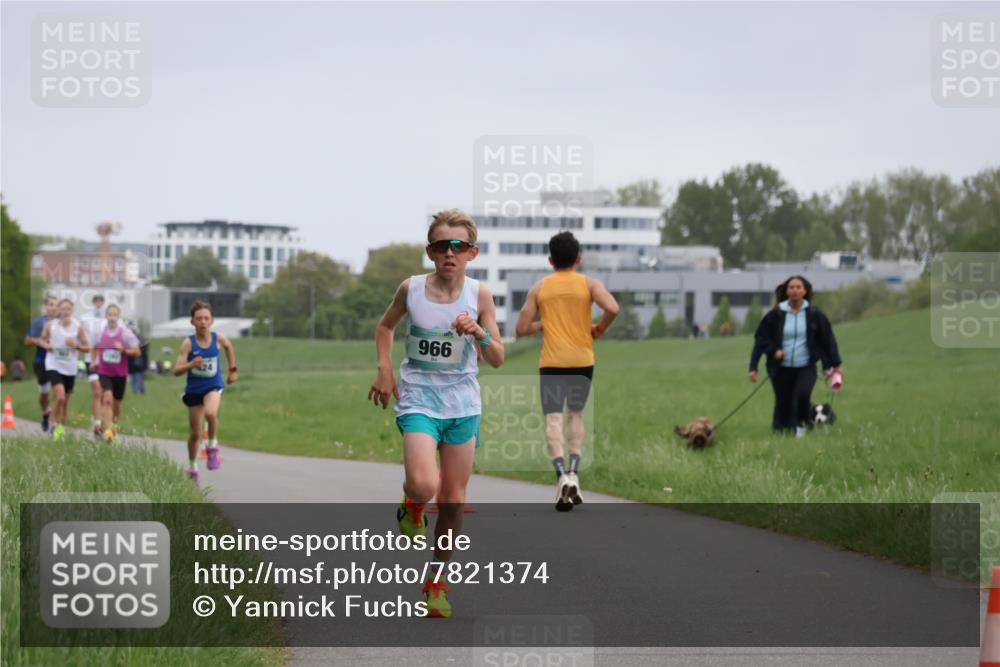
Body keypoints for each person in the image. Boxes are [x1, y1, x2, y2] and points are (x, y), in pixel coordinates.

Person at [368, 209, 503, 618]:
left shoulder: (479, 296)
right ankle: (412, 504)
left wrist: (480, 333)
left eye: (459, 246)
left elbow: (497, 357)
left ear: (472, 253)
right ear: (431, 251)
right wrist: (386, 370)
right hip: (420, 400)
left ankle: (437, 583)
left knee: (453, 502)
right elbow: (386, 327)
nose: (450, 253)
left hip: (463, 405)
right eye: (443, 245)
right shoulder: (410, 290)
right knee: (425, 486)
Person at [514, 231, 619, 511]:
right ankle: (574, 472)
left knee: (553, 420)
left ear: (550, 260)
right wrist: (597, 329)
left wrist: (542, 324)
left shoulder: (539, 289)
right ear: (578, 259)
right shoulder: (589, 284)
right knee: (576, 415)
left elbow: (521, 329)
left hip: (551, 363)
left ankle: (560, 476)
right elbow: (613, 308)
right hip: (582, 360)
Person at [749, 275, 842, 437]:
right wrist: (760, 361)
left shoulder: (814, 314)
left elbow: (827, 340)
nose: (795, 290)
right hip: (780, 367)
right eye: (791, 287)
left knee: (801, 395)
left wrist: (835, 365)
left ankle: (799, 427)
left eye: (799, 287)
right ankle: (779, 430)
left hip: (806, 365)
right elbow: (761, 338)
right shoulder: (776, 314)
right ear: (786, 291)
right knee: (783, 399)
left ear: (805, 291)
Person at [172, 301, 237, 484]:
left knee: (211, 412)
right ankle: (192, 467)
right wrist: (191, 364)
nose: (203, 322)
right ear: (192, 322)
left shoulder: (218, 338)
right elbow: (176, 370)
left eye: (206, 318)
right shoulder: (188, 344)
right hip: (194, 390)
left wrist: (232, 370)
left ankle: (213, 446)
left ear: (212, 321)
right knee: (195, 433)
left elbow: (229, 346)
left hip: (213, 385)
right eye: (199, 318)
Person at [39, 299, 90, 441]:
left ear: (72, 310)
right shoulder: (51, 325)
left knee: (65, 402)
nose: (66, 311)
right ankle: (53, 423)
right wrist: (46, 345)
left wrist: (76, 346)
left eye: (69, 309)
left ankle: (59, 430)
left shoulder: (77, 327)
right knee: (59, 396)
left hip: (70, 368)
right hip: (53, 364)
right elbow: (41, 340)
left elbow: (87, 347)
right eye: (63, 308)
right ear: (59, 311)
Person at [94, 305, 142, 441]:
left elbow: (137, 351)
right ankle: (107, 431)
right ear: (106, 316)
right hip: (104, 372)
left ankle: (113, 425)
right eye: (110, 314)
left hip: (120, 374)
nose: (112, 317)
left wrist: (124, 350)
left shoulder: (125, 333)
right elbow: (93, 346)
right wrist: (93, 361)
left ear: (118, 317)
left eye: (115, 315)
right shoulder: (100, 332)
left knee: (117, 404)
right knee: (107, 399)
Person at [23, 295, 58, 431]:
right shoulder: (38, 322)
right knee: (44, 394)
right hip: (41, 361)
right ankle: (45, 412)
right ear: (46, 307)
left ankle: (54, 422)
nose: (52, 307)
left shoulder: (62, 322)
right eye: (50, 304)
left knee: (58, 391)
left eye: (55, 305)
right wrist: (39, 342)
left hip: (57, 362)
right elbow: (27, 341)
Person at [81, 294, 107, 437]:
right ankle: (97, 424)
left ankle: (102, 421)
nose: (98, 303)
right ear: (93, 302)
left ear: (103, 303)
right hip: (89, 358)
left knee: (104, 393)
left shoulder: (108, 318)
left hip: (105, 359)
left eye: (100, 301)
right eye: (96, 301)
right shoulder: (85, 318)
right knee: (97, 390)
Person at [127, 321, 148, 395]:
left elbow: (144, 351)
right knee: (134, 379)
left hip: (139, 362)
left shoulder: (139, 336)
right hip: (131, 363)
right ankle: (137, 393)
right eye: (129, 326)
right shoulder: (126, 337)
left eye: (132, 326)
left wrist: (145, 364)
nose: (131, 328)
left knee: (139, 378)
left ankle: (139, 392)